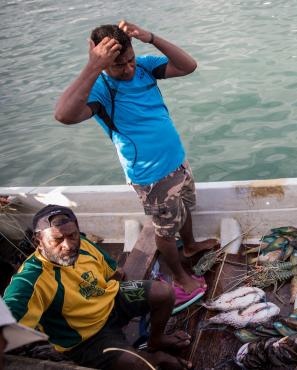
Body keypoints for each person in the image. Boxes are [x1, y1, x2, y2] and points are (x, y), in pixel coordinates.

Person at [54, 21, 214, 305]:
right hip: (151, 175)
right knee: (165, 230)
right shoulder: (102, 90)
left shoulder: (144, 68)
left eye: (130, 60)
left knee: (185, 207)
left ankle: (189, 247)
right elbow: (64, 115)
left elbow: (188, 65)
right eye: (118, 66)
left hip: (177, 160)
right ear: (102, 63)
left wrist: (150, 37)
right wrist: (93, 67)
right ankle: (179, 275)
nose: (128, 69)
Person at [3, 205, 192, 369]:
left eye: (72, 235)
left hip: (110, 301)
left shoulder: (83, 244)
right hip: (86, 339)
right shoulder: (30, 280)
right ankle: (155, 357)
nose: (68, 245)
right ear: (39, 242)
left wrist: (124, 286)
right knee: (137, 364)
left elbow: (115, 272)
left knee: (164, 292)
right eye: (57, 240)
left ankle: (155, 340)